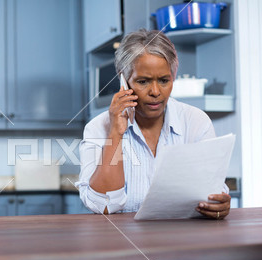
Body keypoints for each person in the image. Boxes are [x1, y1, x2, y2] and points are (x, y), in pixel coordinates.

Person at [76, 29, 231, 219]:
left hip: (182, 241)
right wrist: (116, 132)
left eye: (164, 80)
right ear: (123, 80)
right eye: (143, 81)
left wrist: (218, 204)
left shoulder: (196, 122)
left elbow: (211, 192)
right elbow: (104, 205)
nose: (156, 91)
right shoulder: (97, 128)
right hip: (121, 243)